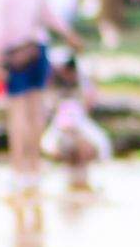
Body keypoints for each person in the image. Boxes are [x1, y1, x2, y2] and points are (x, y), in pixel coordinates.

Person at [0, 0, 81, 197]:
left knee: (17, 114)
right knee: (35, 112)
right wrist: (70, 35)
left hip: (15, 55)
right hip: (38, 51)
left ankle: (19, 171)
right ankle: (35, 169)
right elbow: (50, 17)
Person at [41, 49, 111, 189]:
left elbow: (89, 103)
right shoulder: (50, 87)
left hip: (81, 126)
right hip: (60, 129)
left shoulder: (82, 84)